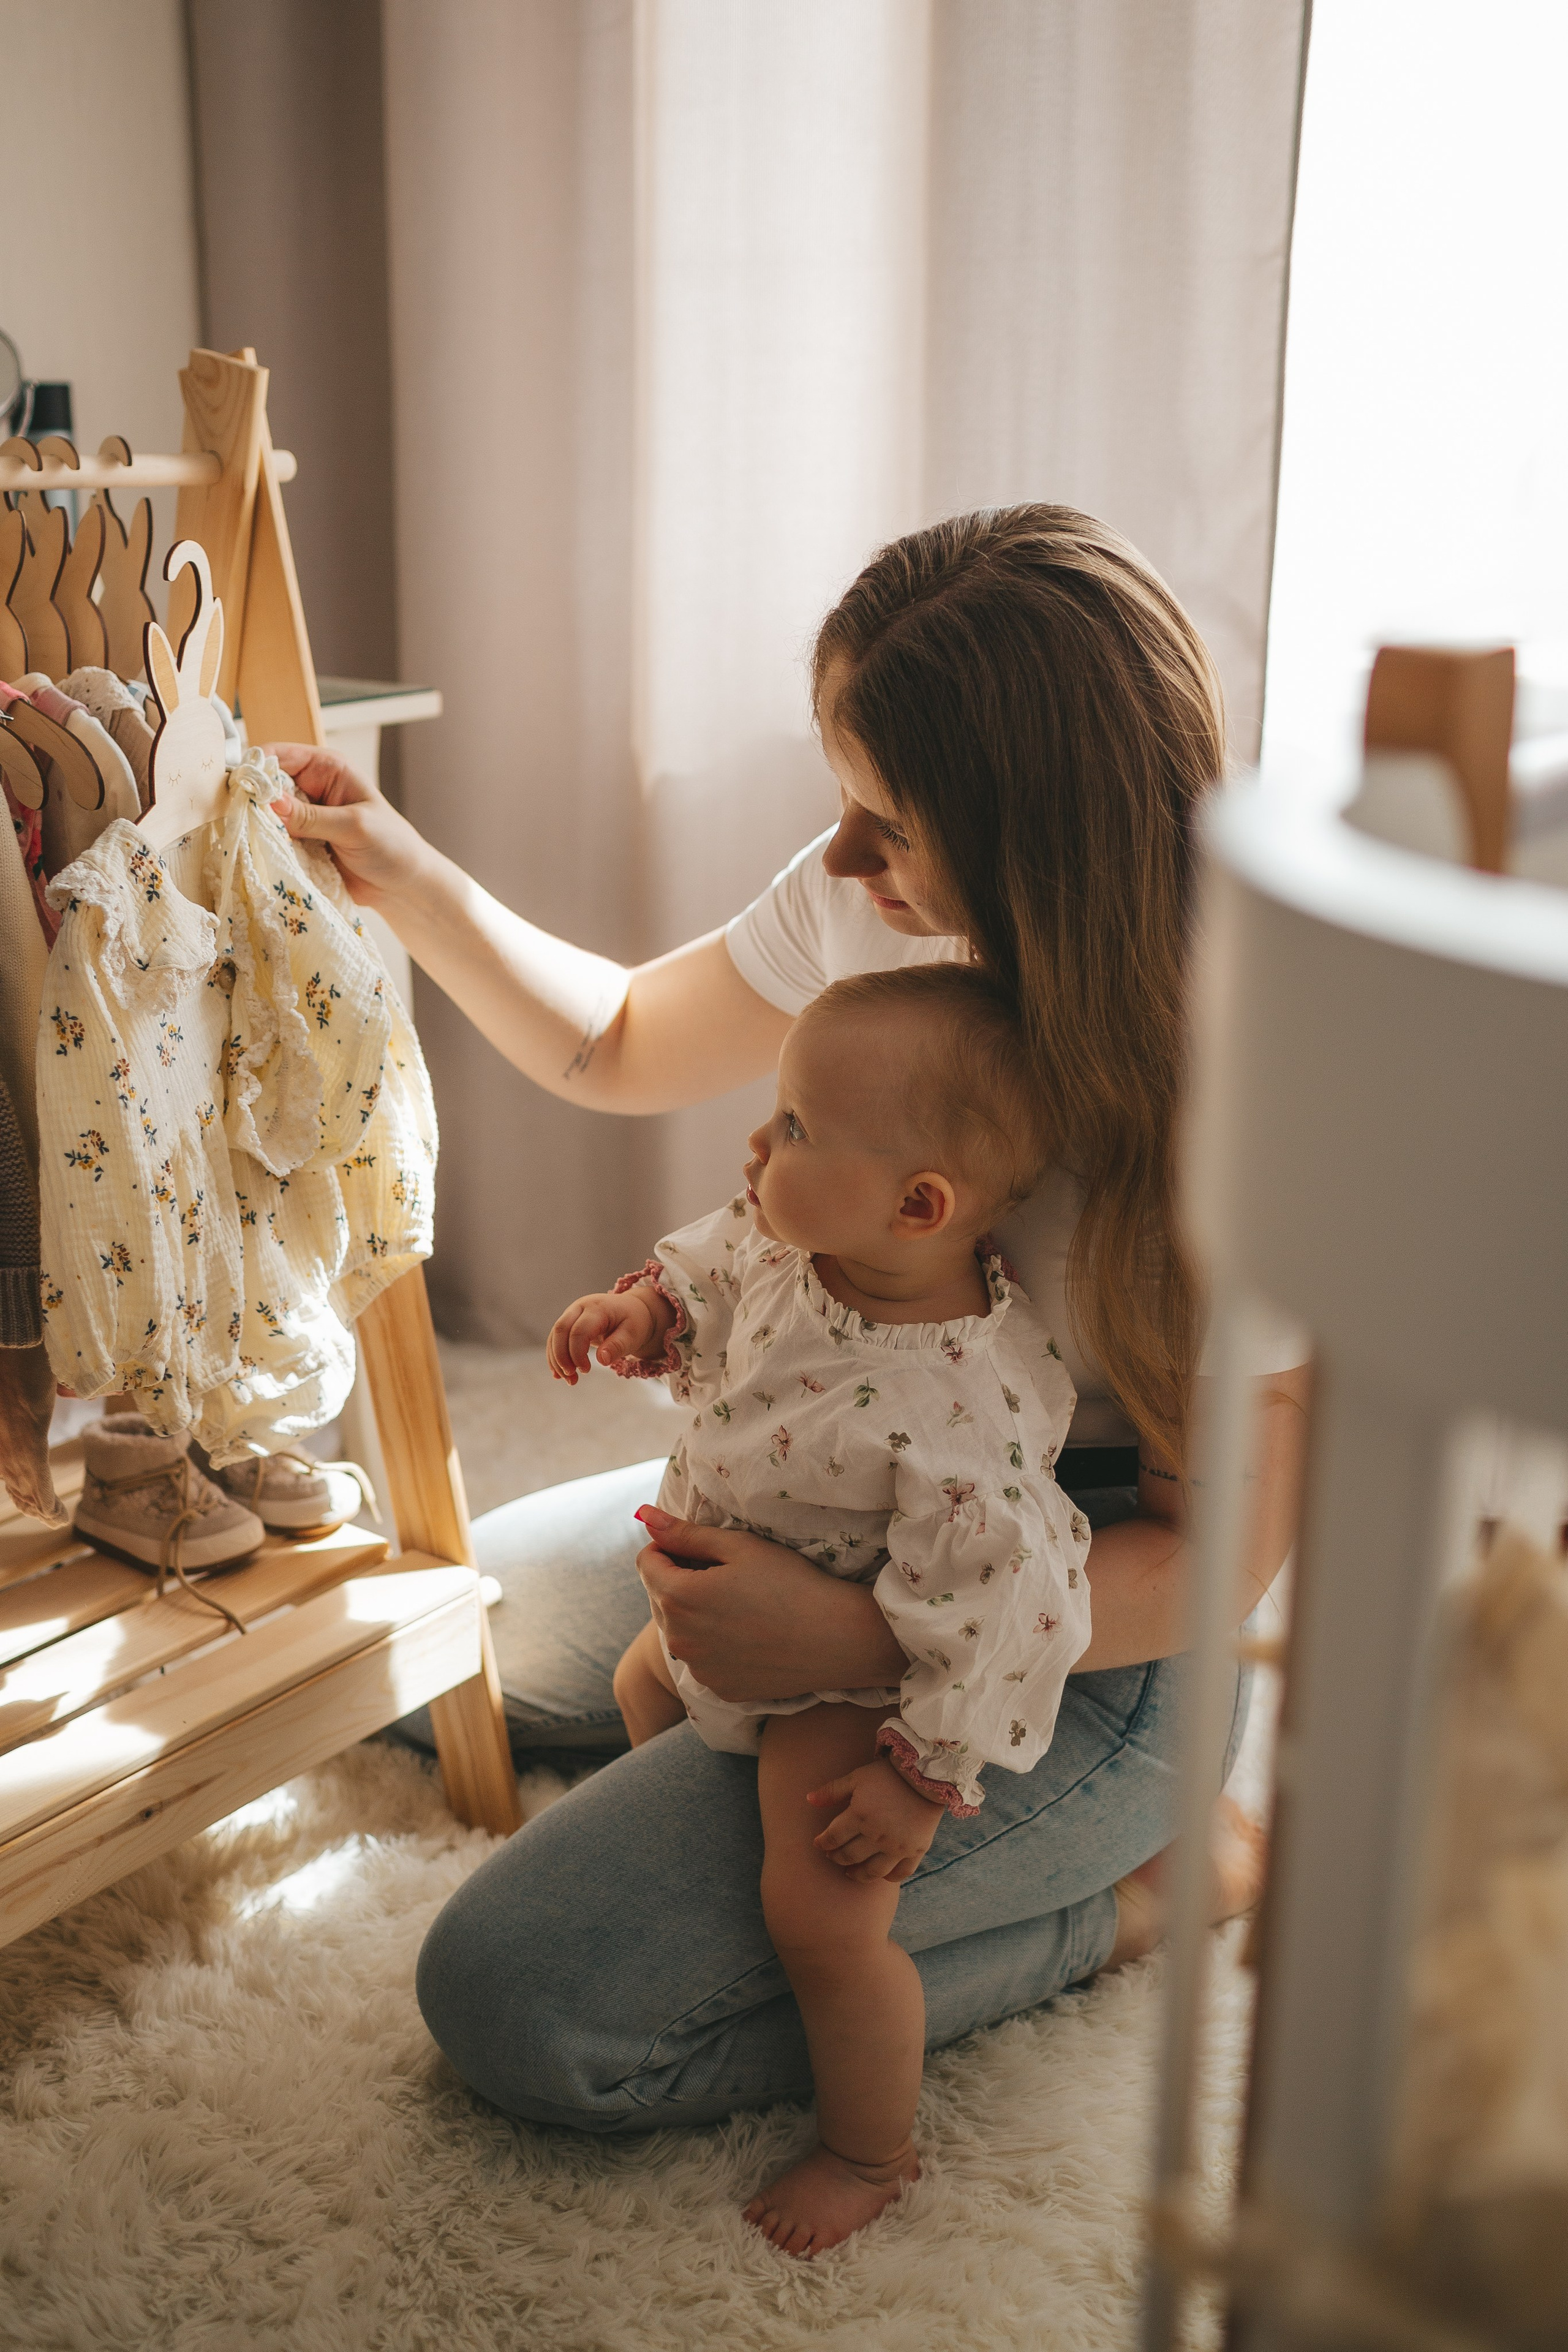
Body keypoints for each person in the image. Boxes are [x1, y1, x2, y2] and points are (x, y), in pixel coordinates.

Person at [270, 503, 1306, 2154]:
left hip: (1069, 1635)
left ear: (1034, 849)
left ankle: (1146, 1890)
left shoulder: (1260, 1088)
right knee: (405, 1627)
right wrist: (404, 877)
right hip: (824, 1498)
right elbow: (615, 1038)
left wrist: (857, 1647)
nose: (838, 860)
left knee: (522, 2003)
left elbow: (1223, 1561)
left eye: (883, 826)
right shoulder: (884, 912)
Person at [548, 965, 1091, 2253]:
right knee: (636, 1686)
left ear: (920, 1204)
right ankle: (699, 1848)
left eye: (792, 1128)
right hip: (726, 1612)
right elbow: (715, 1266)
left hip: (853, 1684)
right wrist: (646, 1309)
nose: (756, 1144)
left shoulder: (962, 1410)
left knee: (822, 1914)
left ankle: (870, 2147)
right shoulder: (798, 1242)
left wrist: (922, 1774)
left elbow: (1010, 1605)